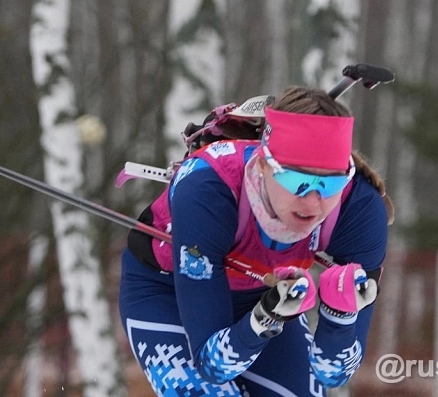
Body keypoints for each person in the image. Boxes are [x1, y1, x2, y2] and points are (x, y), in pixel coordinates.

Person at [119, 86, 395, 396]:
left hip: (260, 295)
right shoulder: (208, 188)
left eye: (331, 183)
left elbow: (335, 375)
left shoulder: (359, 207)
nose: (313, 201)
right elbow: (212, 366)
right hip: (165, 291)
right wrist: (266, 319)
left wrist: (339, 317)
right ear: (263, 164)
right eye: (296, 180)